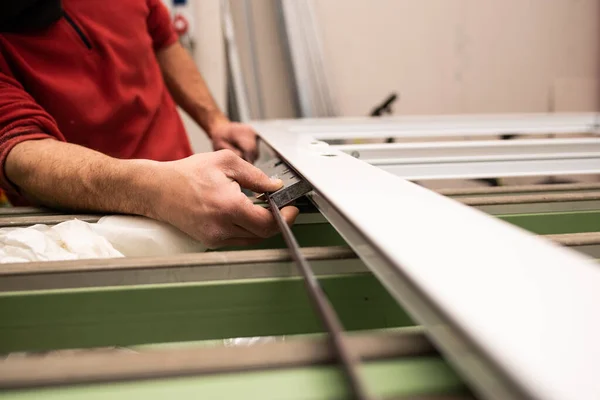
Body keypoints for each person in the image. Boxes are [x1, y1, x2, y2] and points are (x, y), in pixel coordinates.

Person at [0, 0, 298, 248]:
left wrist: (216, 122)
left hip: (185, 178)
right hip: (86, 233)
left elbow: (162, 39)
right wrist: (157, 189)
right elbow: (21, 155)